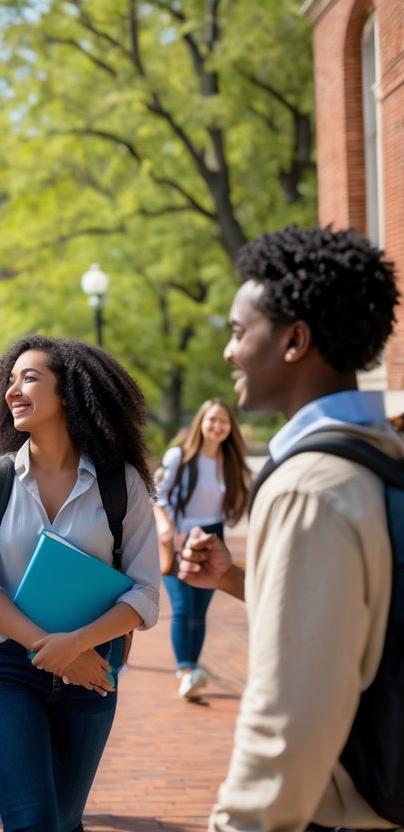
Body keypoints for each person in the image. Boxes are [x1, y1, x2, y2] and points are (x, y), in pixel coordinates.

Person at [177, 225, 402, 831]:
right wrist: (234, 579)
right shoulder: (383, 454)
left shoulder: (309, 484)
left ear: (295, 340)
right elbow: (362, 611)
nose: (229, 352)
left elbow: (290, 716)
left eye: (238, 331)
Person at [0, 334, 160, 830]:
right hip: (7, 668)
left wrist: (81, 646)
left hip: (92, 671)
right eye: (10, 380)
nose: (11, 391)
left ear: (69, 392)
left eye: (29, 378)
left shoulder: (121, 483)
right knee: (32, 822)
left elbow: (145, 589)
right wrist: (52, 648)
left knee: (64, 822)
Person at [152, 399, 249, 701]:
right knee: (183, 607)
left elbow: (234, 504)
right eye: (211, 420)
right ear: (201, 423)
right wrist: (166, 528)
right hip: (179, 535)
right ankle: (185, 671)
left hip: (212, 535)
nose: (217, 426)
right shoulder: (179, 457)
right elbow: (158, 496)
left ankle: (191, 670)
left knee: (200, 610)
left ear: (230, 427)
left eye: (223, 421)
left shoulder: (229, 462)